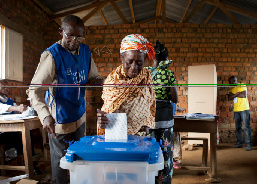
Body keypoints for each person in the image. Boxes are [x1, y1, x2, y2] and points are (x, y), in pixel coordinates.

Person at [27, 15, 104, 184]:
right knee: (61, 164)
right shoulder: (52, 55)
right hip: (59, 120)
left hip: (79, 115)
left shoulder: (85, 51)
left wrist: (107, 83)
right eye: (69, 36)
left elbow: (92, 78)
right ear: (61, 32)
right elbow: (35, 90)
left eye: (79, 36)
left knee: (81, 160)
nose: (74, 41)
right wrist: (45, 115)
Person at [97, 34, 156, 136]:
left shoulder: (146, 76)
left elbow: (150, 103)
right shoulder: (113, 82)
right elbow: (109, 111)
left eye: (139, 62)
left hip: (143, 135)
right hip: (120, 137)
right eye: (129, 62)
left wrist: (147, 124)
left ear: (145, 61)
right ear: (122, 58)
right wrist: (104, 119)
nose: (133, 68)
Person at [147, 40, 178, 183]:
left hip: (150, 118)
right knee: (166, 154)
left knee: (150, 151)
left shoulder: (147, 74)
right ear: (166, 58)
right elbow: (175, 98)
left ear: (153, 58)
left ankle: (149, 179)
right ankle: (164, 181)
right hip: (165, 118)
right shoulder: (169, 74)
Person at [0, 80, 44, 175]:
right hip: (1, 134)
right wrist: (16, 108)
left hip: (10, 132)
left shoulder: (9, 100)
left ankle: (31, 161)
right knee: (19, 135)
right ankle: (30, 162)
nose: (6, 88)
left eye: (8, 86)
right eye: (3, 86)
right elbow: (2, 107)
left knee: (27, 133)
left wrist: (25, 109)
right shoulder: (3, 103)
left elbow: (18, 111)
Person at [227, 76, 252, 151]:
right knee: (238, 128)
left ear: (235, 80)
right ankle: (239, 143)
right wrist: (238, 93)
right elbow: (229, 98)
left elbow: (243, 95)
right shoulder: (231, 88)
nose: (230, 84)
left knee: (246, 127)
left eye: (231, 82)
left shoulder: (242, 85)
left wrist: (235, 94)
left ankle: (248, 144)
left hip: (244, 109)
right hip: (236, 110)